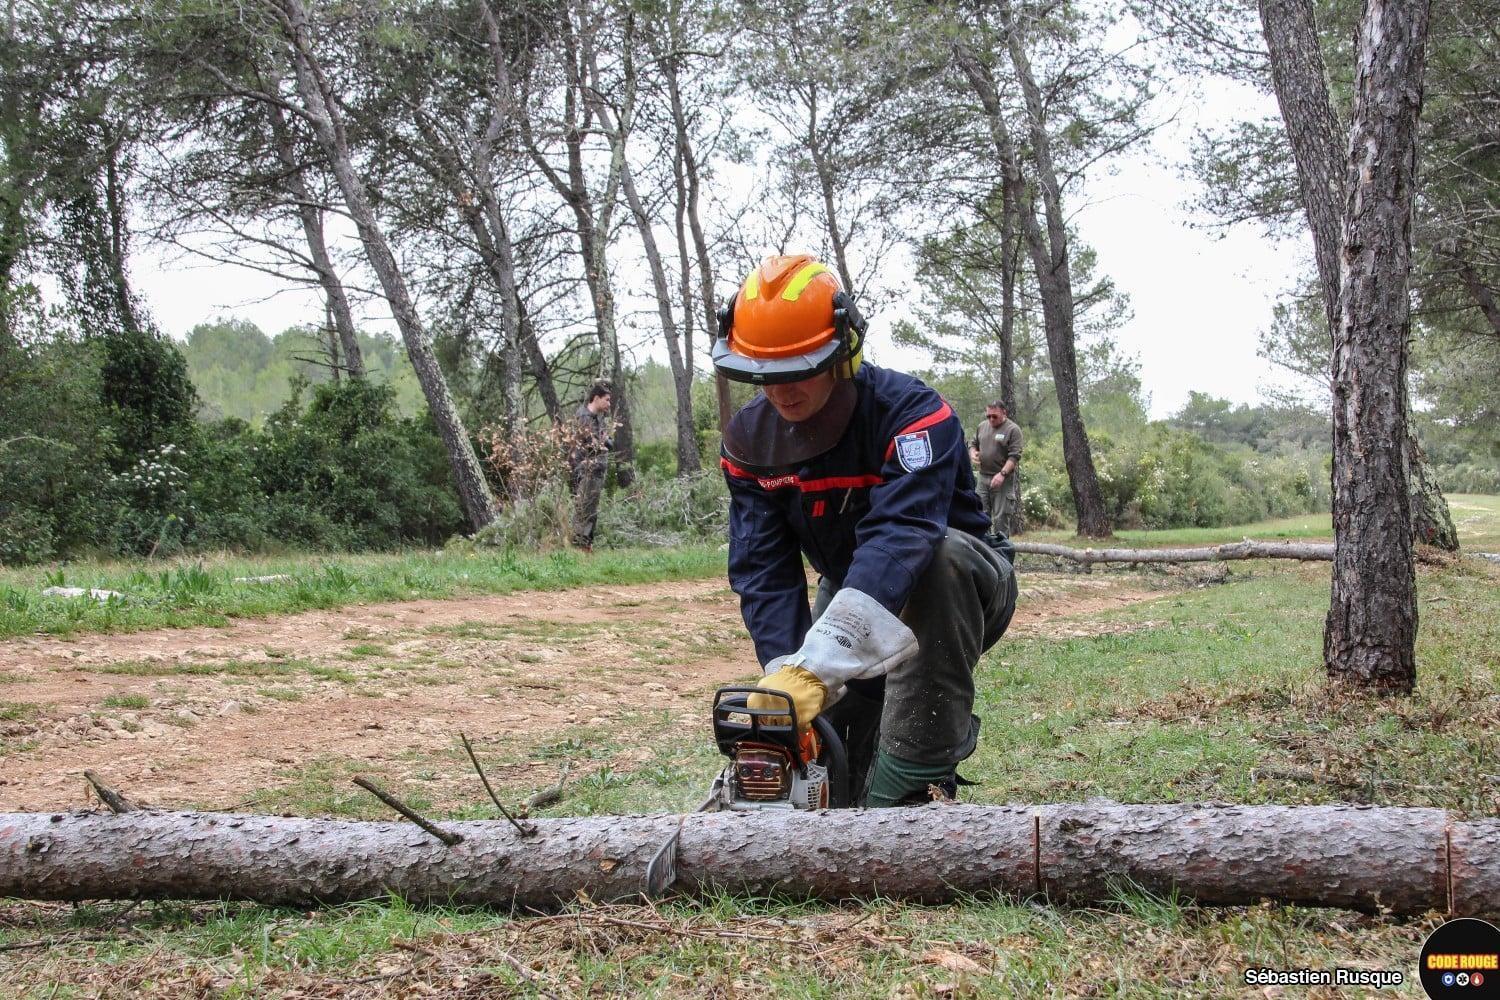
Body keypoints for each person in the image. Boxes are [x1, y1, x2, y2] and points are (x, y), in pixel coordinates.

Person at [714, 254, 1018, 807]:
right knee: (836, 726)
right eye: (766, 374)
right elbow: (764, 569)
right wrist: (790, 673)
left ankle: (913, 786)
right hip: (850, 582)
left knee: (939, 561)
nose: (781, 392)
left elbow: (903, 536)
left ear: (842, 352)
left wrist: (824, 658)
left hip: (961, 581)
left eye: (798, 369)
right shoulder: (749, 443)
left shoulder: (912, 415)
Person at [569, 382, 613, 551]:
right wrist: (602, 442)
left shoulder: (597, 418)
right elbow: (594, 444)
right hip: (587, 470)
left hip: (596, 471)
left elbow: (607, 442)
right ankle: (580, 546)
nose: (609, 404)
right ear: (596, 398)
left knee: (591, 509)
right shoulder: (584, 418)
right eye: (607, 400)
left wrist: (604, 441)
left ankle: (586, 544)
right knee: (584, 509)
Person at [970, 401, 1023, 539]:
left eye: (995, 416)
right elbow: (973, 443)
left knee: (1000, 519)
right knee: (980, 515)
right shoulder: (982, 426)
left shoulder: (1013, 429)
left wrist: (1002, 474)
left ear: (1004, 413)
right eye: (988, 416)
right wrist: (973, 452)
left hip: (1002, 479)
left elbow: (1014, 456)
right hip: (983, 478)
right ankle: (984, 551)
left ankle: (1002, 555)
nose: (991, 419)